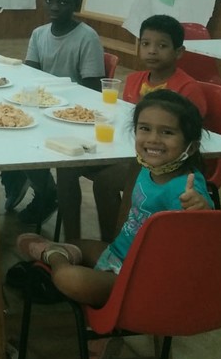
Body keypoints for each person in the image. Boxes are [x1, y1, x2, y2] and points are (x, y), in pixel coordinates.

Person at [16, 91, 211, 349]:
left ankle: (54, 256)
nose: (153, 139)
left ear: (191, 147)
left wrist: (201, 209)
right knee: (77, 242)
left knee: (69, 279)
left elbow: (203, 235)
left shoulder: (185, 189)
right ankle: (62, 251)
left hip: (140, 280)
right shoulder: (148, 168)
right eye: (145, 128)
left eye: (167, 132)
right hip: (119, 255)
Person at [57, 15, 207, 241]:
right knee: (66, 165)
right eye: (146, 44)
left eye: (162, 45)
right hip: (126, 149)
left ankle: (115, 244)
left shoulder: (187, 88)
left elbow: (189, 135)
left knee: (105, 182)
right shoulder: (135, 79)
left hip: (159, 160)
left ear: (178, 52)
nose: (152, 51)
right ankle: (72, 240)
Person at [2, 0, 105, 227]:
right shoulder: (39, 34)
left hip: (71, 114)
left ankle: (46, 193)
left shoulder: (87, 37)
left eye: (63, 2)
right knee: (7, 128)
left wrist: (58, 99)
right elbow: (30, 74)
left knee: (28, 139)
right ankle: (18, 176)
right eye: (49, 0)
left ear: (75, 5)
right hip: (41, 106)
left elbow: (92, 89)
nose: (55, 7)